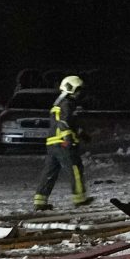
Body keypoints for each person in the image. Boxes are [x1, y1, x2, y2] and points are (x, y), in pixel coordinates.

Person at [33, 75, 91, 210]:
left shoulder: (59, 103)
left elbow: (68, 123)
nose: (80, 93)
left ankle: (40, 201)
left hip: (53, 143)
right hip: (63, 144)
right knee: (75, 169)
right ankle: (80, 198)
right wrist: (68, 139)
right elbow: (64, 122)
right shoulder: (67, 103)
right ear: (71, 88)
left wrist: (81, 134)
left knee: (49, 173)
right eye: (78, 90)